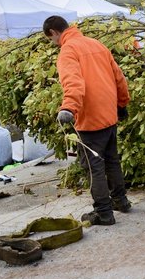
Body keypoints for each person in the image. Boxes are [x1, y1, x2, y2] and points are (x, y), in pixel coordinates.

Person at [43, 16, 132, 226]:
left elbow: (73, 83)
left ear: (54, 33)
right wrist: (122, 104)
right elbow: (119, 77)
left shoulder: (68, 52)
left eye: (50, 40)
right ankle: (121, 200)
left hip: (90, 119)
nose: (53, 44)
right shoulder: (96, 44)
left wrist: (68, 108)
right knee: (112, 161)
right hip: (109, 115)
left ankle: (104, 213)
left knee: (94, 167)